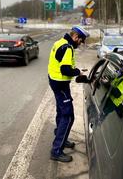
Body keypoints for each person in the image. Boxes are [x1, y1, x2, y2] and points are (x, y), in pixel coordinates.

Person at [48, 25, 89, 162]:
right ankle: (56, 150)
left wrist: (75, 69)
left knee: (61, 112)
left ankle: (61, 137)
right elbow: (65, 69)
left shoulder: (59, 42)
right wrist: (78, 72)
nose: (81, 43)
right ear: (75, 37)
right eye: (81, 40)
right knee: (68, 116)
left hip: (55, 81)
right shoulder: (68, 48)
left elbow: (58, 63)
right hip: (60, 84)